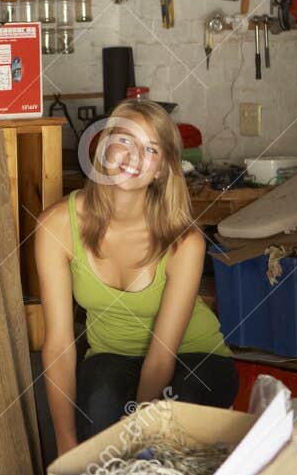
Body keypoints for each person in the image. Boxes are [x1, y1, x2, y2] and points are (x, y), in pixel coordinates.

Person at [36, 99, 238, 456]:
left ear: (161, 169)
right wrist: (66, 445)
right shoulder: (57, 226)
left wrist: (142, 444)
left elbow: (162, 358)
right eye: (125, 140)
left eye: (150, 149)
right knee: (98, 409)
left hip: (192, 356)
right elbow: (59, 345)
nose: (133, 158)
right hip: (112, 355)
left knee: (178, 408)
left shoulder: (183, 241)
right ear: (102, 148)